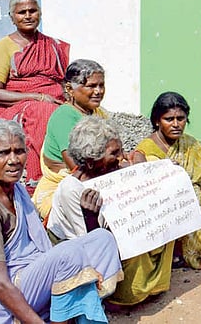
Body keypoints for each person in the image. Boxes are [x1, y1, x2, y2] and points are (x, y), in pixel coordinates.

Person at [0, 119, 122, 323]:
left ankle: (72, 312)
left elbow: (41, 246)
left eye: (19, 151)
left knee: (102, 239)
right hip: (8, 294)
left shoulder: (18, 191)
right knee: (69, 253)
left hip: (33, 276)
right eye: (3, 153)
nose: (13, 160)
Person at [47, 116, 175, 307]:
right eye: (114, 153)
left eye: (121, 150)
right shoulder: (72, 189)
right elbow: (90, 247)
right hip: (81, 251)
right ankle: (121, 296)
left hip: (110, 239)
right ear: (91, 162)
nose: (122, 157)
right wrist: (90, 216)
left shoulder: (111, 174)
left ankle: (152, 286)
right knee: (135, 246)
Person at [133, 92, 201, 268]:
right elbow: (159, 194)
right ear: (157, 121)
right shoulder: (145, 151)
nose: (176, 124)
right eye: (169, 119)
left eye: (180, 119)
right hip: (174, 209)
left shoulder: (191, 144)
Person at [0, 0, 69, 188]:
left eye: (32, 11)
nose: (28, 16)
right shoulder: (4, 46)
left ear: (40, 13)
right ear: (12, 17)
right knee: (42, 111)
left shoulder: (52, 46)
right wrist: (37, 97)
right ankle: (37, 181)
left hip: (54, 99)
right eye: (22, 12)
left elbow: (64, 83)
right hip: (16, 105)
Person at [32, 59, 108, 219]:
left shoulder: (98, 113)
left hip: (94, 180)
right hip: (63, 189)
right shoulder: (64, 117)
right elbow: (77, 167)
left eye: (101, 85)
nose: (98, 91)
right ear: (69, 89)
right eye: (91, 86)